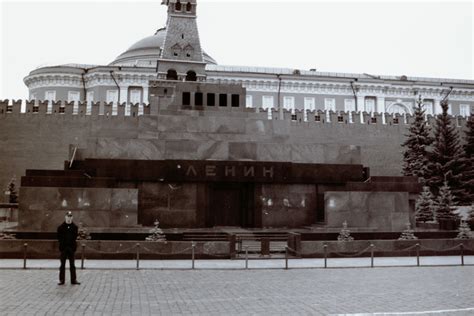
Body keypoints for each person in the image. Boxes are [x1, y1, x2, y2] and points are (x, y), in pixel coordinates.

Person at [57, 211, 80, 285]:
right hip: (63, 248)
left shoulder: (75, 227)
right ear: (65, 217)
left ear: (72, 218)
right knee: (62, 265)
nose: (69, 218)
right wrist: (63, 246)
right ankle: (61, 280)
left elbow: (74, 237)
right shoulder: (60, 227)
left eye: (70, 217)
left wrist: (72, 247)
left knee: (72, 265)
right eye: (68, 216)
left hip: (71, 248)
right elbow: (59, 238)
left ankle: (73, 280)